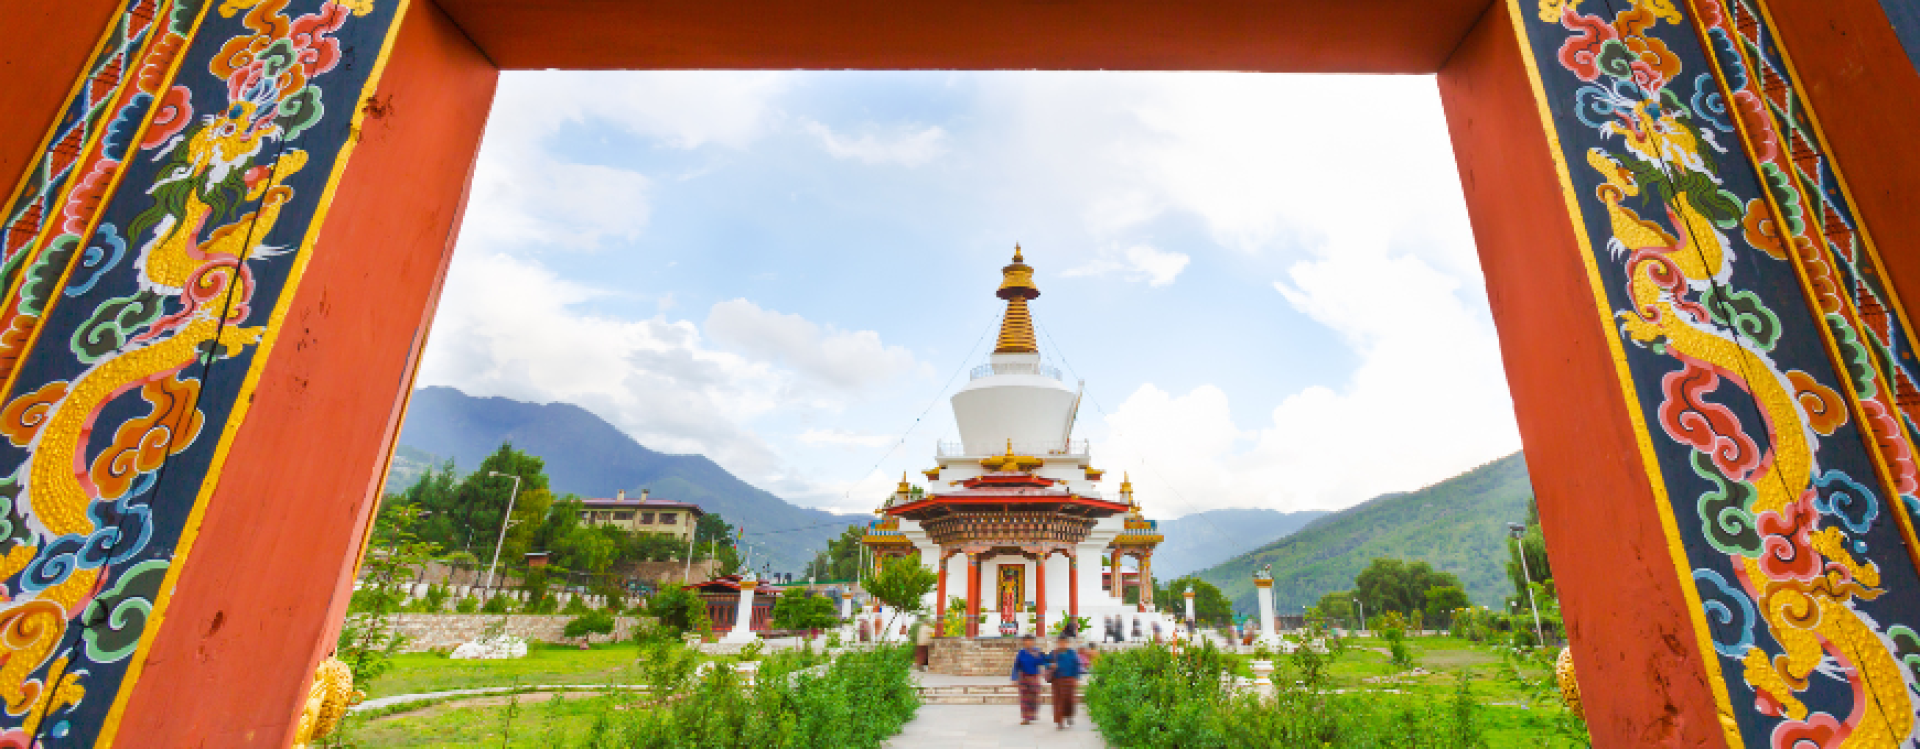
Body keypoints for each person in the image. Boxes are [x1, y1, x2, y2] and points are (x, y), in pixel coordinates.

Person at [1010, 635, 1051, 725]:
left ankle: (1032, 714)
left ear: (1033, 642)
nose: (1028, 643)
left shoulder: (1037, 651)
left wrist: (1043, 658)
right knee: (1024, 698)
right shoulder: (1021, 652)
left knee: (1034, 697)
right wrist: (1014, 678)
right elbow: (1016, 665)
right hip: (1024, 677)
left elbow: (1043, 662)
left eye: (1029, 641)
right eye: (1026, 641)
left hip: (1034, 677)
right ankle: (1025, 718)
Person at [1049, 636, 1083, 729]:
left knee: (1070, 700)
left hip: (1070, 680)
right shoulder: (1054, 653)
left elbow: (1077, 665)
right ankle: (1059, 722)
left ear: (1067, 643)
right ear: (1057, 643)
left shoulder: (1072, 653)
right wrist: (1051, 665)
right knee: (1058, 701)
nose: (1062, 644)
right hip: (1057, 680)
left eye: (1064, 642)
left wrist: (1076, 678)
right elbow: (1046, 662)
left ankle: (1069, 716)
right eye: (1060, 642)